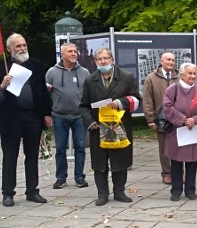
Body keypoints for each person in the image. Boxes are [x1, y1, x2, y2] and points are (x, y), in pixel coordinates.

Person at [0, 33, 52, 207]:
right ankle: (8, 193)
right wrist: (2, 86)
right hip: (10, 117)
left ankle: (32, 190)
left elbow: (43, 92)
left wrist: (46, 114)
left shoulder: (36, 66)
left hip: (32, 115)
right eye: (18, 46)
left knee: (32, 155)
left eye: (24, 45)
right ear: (9, 49)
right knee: (10, 156)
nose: (22, 48)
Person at [79, 48, 141, 206]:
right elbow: (83, 106)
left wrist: (120, 103)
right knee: (99, 163)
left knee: (120, 161)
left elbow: (136, 98)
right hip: (98, 128)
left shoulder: (126, 77)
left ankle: (119, 192)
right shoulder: (90, 80)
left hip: (119, 126)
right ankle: (102, 194)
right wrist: (90, 122)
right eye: (99, 59)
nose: (103, 61)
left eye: (106, 58)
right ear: (95, 62)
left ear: (112, 60)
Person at [163, 63, 197, 201]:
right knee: (176, 163)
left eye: (194, 74)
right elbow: (167, 107)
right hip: (177, 131)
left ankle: (190, 190)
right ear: (182, 75)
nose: (193, 76)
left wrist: (196, 119)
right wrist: (183, 119)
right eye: (189, 73)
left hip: (194, 130)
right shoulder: (173, 89)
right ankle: (176, 191)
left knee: (193, 162)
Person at [46, 43, 90, 190]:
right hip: (59, 115)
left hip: (79, 116)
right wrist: (48, 114)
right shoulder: (52, 72)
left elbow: (89, 94)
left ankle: (79, 177)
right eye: (70, 51)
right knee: (60, 148)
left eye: (75, 51)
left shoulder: (84, 72)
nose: (73, 54)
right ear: (62, 54)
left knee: (80, 147)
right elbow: (47, 94)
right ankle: (60, 178)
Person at [142, 52, 177, 184]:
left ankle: (179, 173)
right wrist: (150, 119)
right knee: (164, 148)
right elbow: (147, 100)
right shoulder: (151, 78)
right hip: (161, 119)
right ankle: (167, 173)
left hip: (178, 119)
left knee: (179, 147)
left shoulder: (179, 77)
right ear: (161, 61)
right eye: (168, 60)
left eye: (173, 60)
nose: (171, 62)